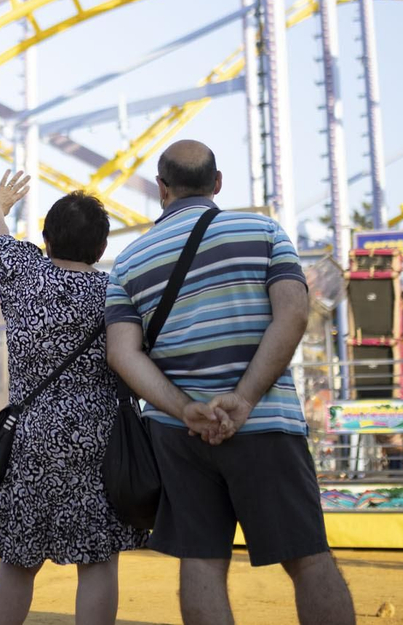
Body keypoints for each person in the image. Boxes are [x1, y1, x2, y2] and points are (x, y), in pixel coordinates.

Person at [105, 140, 354, 625]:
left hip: (178, 437)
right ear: (217, 183)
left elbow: (122, 353)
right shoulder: (263, 232)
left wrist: (185, 411)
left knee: (201, 560)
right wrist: (243, 399)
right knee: (306, 557)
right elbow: (294, 313)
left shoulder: (130, 260)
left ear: (161, 188)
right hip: (265, 426)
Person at [0, 171, 146, 625]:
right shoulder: (115, 293)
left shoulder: (23, 276)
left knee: (17, 559)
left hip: (30, 436)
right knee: (98, 559)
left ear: (47, 238)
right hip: (98, 438)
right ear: (101, 245)